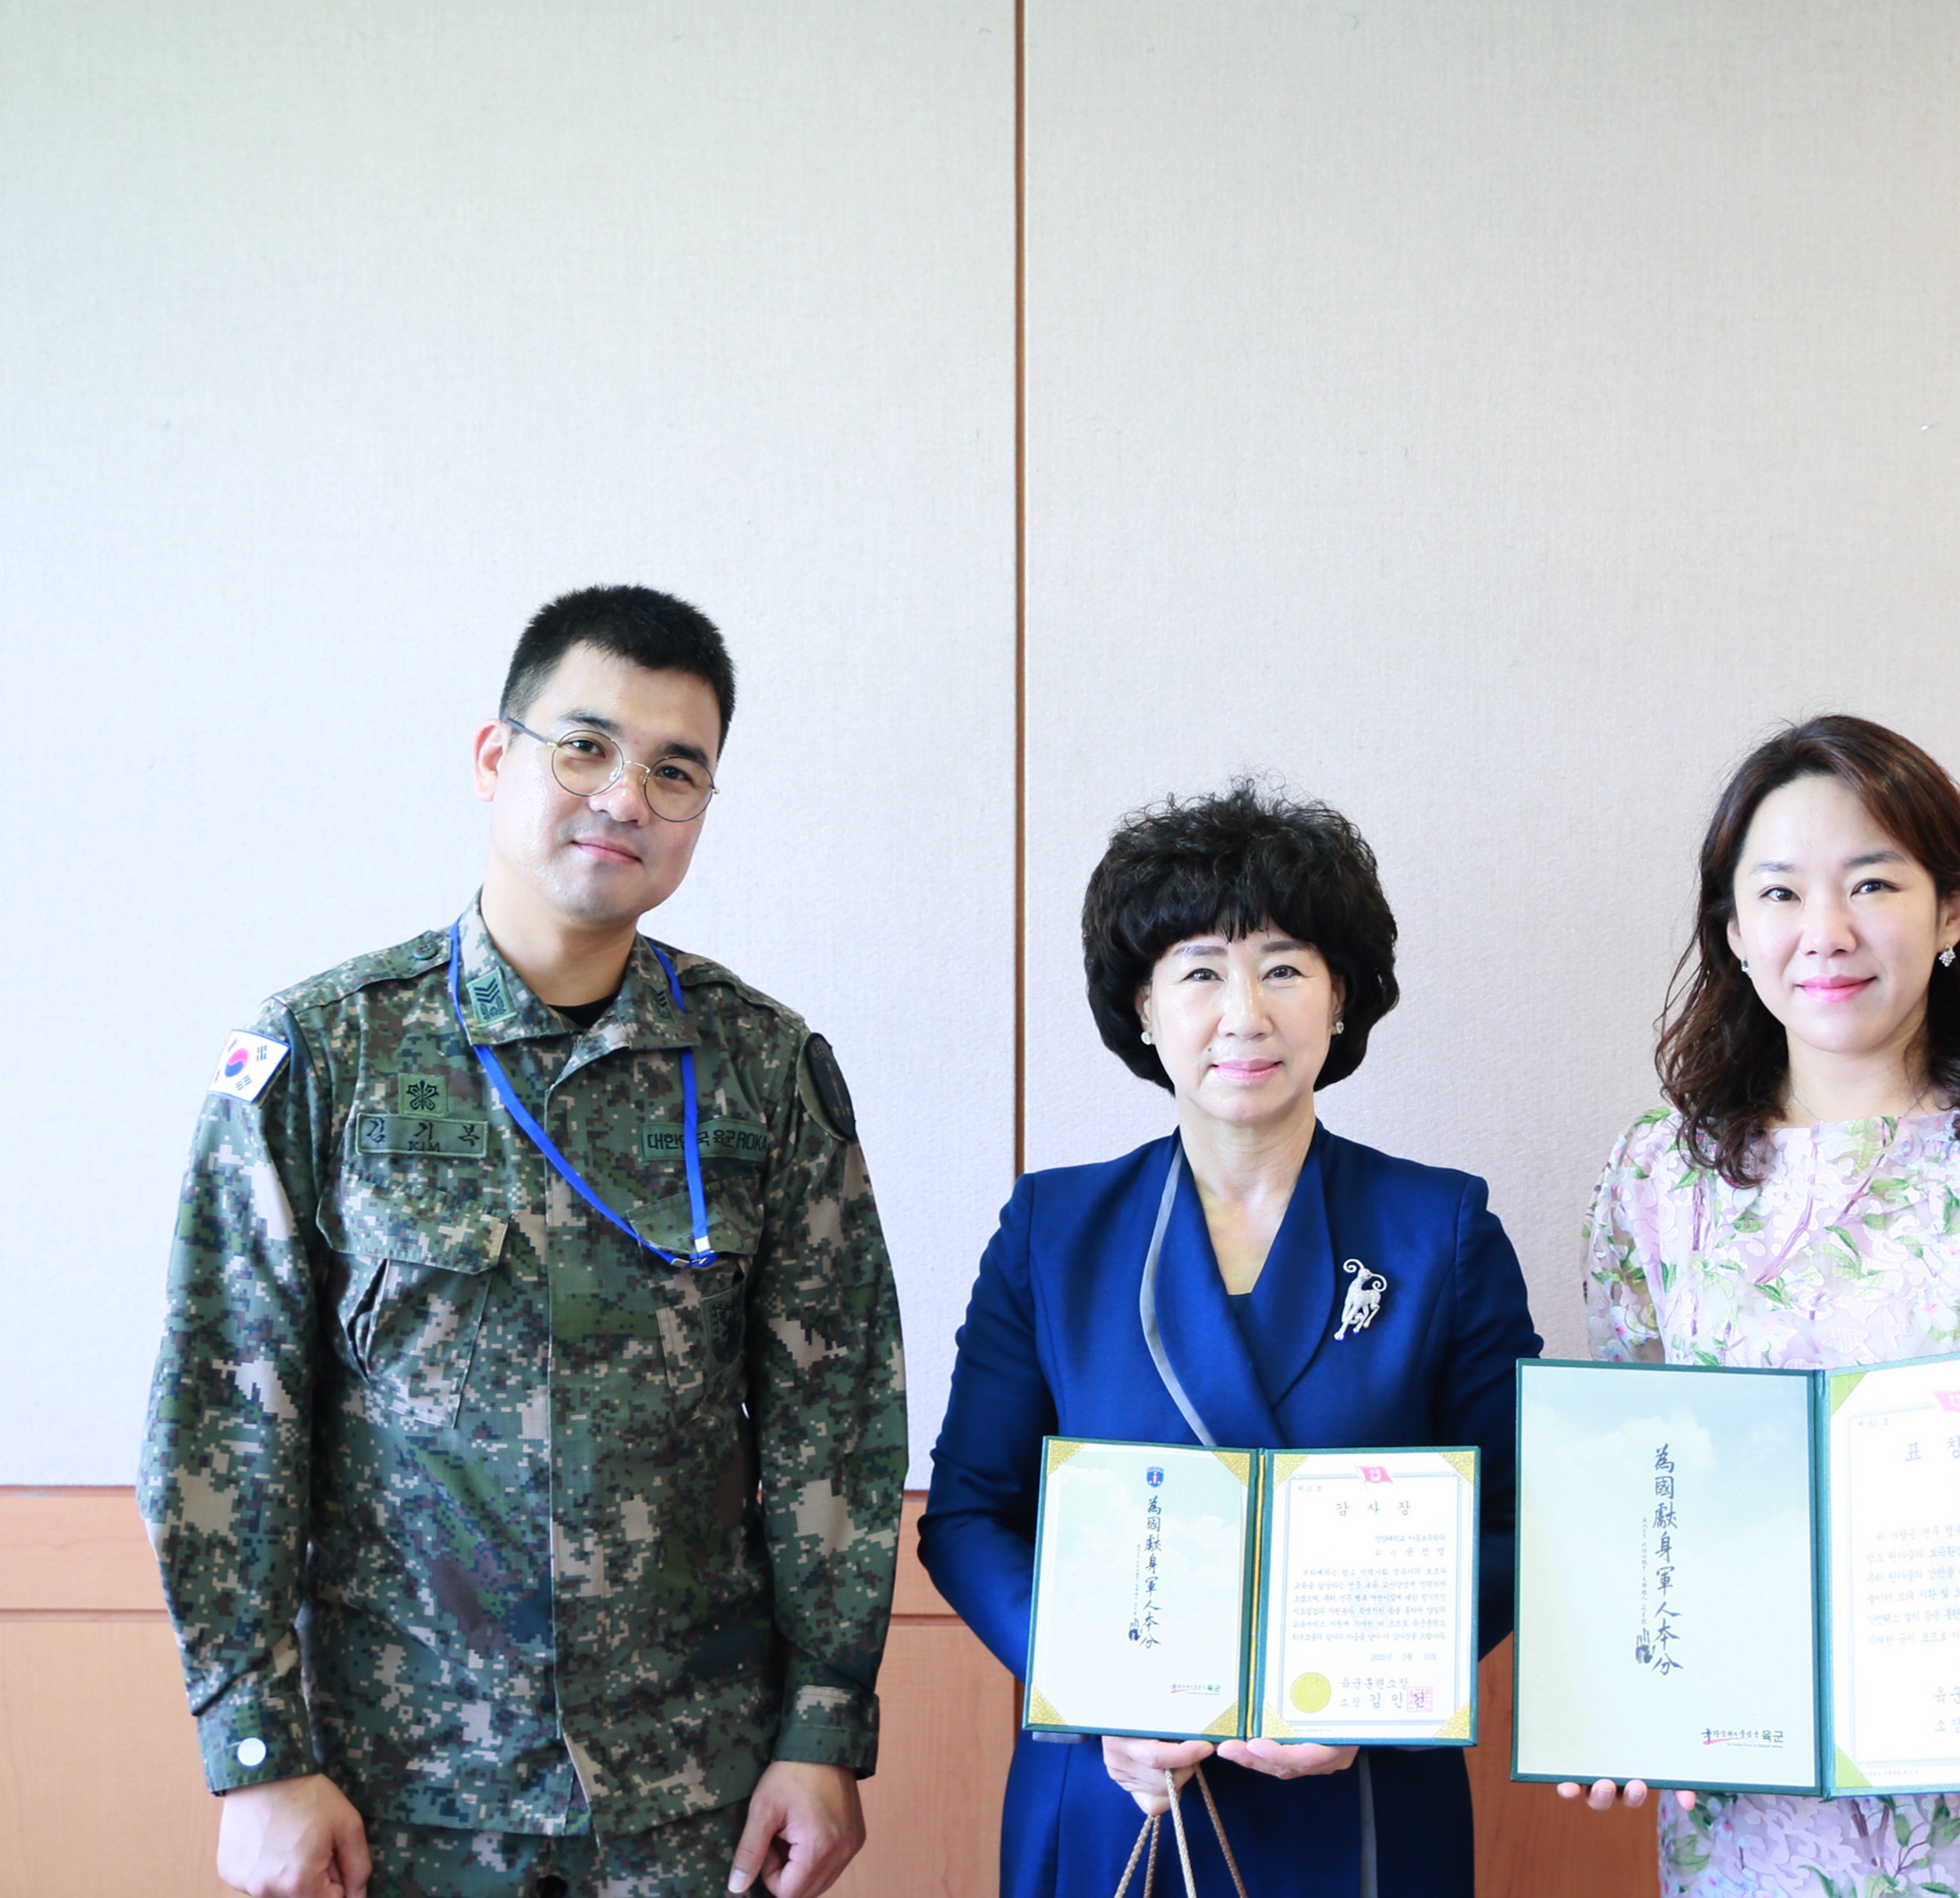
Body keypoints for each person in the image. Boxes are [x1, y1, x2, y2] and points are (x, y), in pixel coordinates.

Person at [140, 586, 908, 1898]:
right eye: (586, 747)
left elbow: (831, 1417)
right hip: (394, 1796)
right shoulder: (324, 1054)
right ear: (496, 758)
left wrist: (825, 1722)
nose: (624, 797)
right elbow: (227, 1416)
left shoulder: (766, 1072)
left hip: (695, 1802)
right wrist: (257, 1755)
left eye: (677, 772)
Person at [1563, 715, 1960, 1897]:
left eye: (1873, 882)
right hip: (1750, 1813)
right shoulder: (1659, 1178)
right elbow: (1641, 1476)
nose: (1828, 932)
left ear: (1951, 912)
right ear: (1733, 931)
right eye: (1780, 893)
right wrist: (1618, 1692)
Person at [920, 782, 1544, 1898]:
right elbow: (968, 1515)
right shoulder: (1052, 1234)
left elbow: (1520, 1518)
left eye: (1286, 967)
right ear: (1144, 1006)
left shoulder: (1440, 1230)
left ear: (1341, 996)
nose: (1244, 1013)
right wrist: (1091, 1685)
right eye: (1201, 969)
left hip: (1358, 1791)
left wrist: (1379, 1695)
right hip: (1117, 1785)